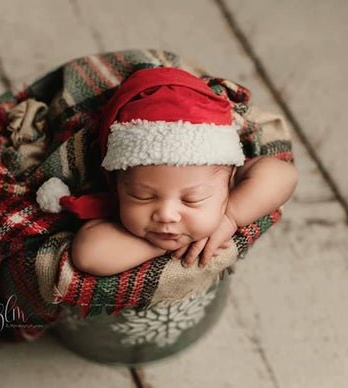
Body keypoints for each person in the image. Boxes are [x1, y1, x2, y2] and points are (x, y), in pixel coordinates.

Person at [36, 67, 297, 276]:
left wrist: (230, 217)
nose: (166, 215)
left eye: (191, 199)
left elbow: (283, 175)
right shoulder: (116, 204)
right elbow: (88, 254)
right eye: (142, 196)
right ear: (116, 185)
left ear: (230, 179)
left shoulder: (227, 178)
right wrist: (164, 245)